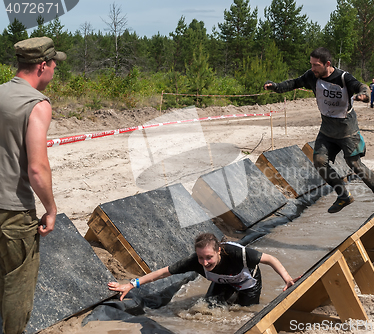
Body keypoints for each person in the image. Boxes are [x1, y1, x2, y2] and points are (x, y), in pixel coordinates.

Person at [263, 47, 374, 213]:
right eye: (311, 64)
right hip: (327, 130)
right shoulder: (311, 76)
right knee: (319, 161)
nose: (312, 68)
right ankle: (343, 195)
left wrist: (363, 95)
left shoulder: (343, 77)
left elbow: (362, 86)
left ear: (327, 64)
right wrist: (276, 86)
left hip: (347, 129)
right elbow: (294, 83)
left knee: (354, 164)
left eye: (316, 65)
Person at [0, 37, 65, 334]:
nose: (55, 71)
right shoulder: (36, 104)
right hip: (12, 211)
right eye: (54, 65)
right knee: (17, 285)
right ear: (42, 66)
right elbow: (37, 168)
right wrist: (51, 209)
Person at [108, 233, 298, 306]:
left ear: (219, 251)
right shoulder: (194, 262)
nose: (205, 263)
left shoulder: (238, 254)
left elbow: (271, 259)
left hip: (248, 283)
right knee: (208, 307)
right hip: (222, 282)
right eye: (201, 258)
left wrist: (287, 279)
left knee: (245, 311)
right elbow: (163, 272)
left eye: (209, 257)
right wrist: (132, 284)